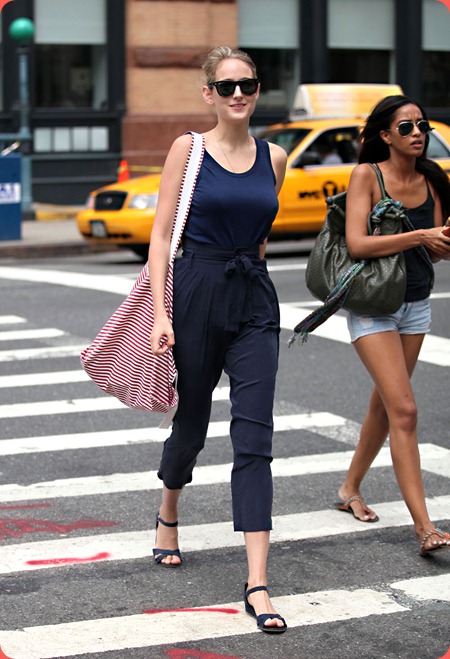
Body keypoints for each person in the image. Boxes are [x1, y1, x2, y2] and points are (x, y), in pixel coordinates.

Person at [148, 46, 288, 632]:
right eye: (226, 86)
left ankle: (257, 583)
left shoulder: (276, 157)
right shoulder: (190, 148)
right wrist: (161, 312)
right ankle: (168, 508)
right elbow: (159, 236)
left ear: (257, 91)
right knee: (193, 425)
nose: (238, 95)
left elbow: (259, 241)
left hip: (253, 297)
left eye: (248, 85)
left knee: (254, 436)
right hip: (197, 289)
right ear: (208, 92)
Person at [335, 94, 450, 556]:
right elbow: (358, 244)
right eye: (406, 127)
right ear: (385, 135)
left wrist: (438, 243)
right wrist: (419, 235)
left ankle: (349, 489)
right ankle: (426, 528)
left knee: (386, 405)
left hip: (416, 304)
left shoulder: (434, 180)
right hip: (373, 304)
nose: (418, 132)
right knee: (404, 409)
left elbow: (438, 244)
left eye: (422, 125)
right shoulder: (368, 175)